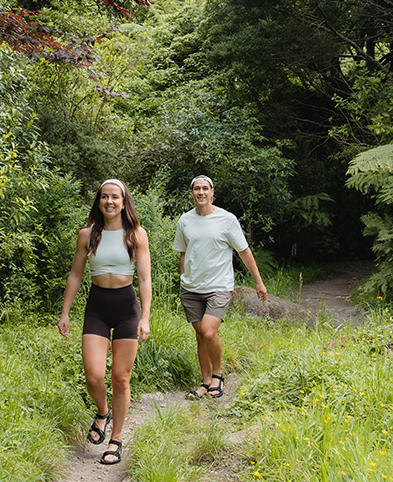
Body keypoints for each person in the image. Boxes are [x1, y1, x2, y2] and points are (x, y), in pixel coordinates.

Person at [58, 178, 152, 466]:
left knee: (120, 378)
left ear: (124, 202)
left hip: (127, 308)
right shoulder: (87, 234)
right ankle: (102, 412)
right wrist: (65, 312)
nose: (109, 201)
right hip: (97, 307)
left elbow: (146, 278)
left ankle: (116, 439)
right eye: (104, 197)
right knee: (94, 376)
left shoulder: (136, 234)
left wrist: (145, 317)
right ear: (98, 201)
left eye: (115, 197)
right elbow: (75, 275)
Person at [173, 175, 267, 400]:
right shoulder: (185, 221)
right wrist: (183, 275)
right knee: (199, 336)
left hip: (219, 286)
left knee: (208, 331)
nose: (201, 192)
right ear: (192, 193)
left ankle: (218, 376)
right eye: (197, 189)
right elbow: (183, 251)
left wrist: (259, 281)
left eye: (205, 188)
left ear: (213, 192)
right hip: (191, 288)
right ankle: (205, 382)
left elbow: (244, 250)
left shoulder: (227, 219)